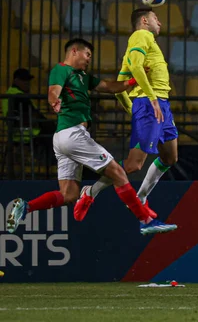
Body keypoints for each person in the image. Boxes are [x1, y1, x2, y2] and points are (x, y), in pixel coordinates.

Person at [5, 38, 177, 236]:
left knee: (69, 195)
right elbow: (53, 91)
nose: (89, 59)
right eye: (87, 55)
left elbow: (109, 87)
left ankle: (26, 207)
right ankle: (145, 220)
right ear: (74, 51)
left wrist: (133, 81)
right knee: (119, 173)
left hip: (62, 139)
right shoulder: (61, 70)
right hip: (73, 134)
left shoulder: (83, 77)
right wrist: (54, 101)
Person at [74, 7, 178, 221]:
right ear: (144, 20)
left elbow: (119, 89)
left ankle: (141, 198)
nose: (160, 23)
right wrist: (148, 102)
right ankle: (89, 193)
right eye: (155, 18)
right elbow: (138, 68)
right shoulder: (141, 35)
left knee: (169, 157)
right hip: (152, 105)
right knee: (134, 165)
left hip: (160, 106)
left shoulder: (140, 45)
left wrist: (132, 110)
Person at [2, 68, 56, 163]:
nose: (27, 83)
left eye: (28, 80)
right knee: (55, 137)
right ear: (16, 81)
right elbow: (35, 114)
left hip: (17, 132)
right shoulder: (19, 96)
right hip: (27, 133)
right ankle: (55, 165)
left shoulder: (11, 93)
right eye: (24, 80)